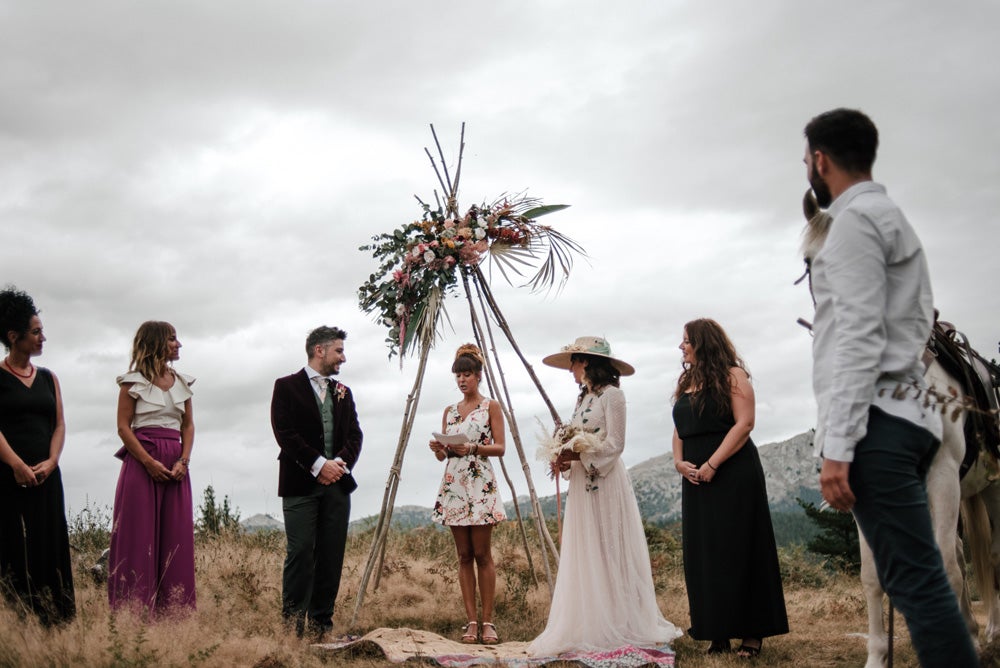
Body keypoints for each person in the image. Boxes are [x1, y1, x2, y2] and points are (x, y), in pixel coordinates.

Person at [803, 108, 978, 667]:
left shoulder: (851, 224)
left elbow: (858, 336)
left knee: (917, 585)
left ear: (821, 160)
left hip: (877, 424)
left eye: (806, 158)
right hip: (911, 417)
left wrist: (838, 446)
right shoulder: (894, 218)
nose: (807, 166)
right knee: (921, 578)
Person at [529, 336, 681, 656]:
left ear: (586, 362)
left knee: (609, 547)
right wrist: (564, 460)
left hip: (606, 481)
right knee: (587, 549)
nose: (570, 368)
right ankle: (590, 621)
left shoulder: (614, 397)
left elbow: (616, 443)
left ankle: (621, 621)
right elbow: (575, 438)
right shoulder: (582, 398)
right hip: (581, 486)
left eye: (573, 361)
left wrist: (581, 458)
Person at [672, 319, 787, 657]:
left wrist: (713, 464)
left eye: (687, 340)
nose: (681, 347)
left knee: (740, 548)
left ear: (704, 343)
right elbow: (679, 428)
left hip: (733, 472)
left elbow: (745, 424)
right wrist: (679, 463)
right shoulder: (686, 381)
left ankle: (753, 634)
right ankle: (716, 631)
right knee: (705, 554)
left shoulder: (733, 376)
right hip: (694, 477)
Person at [271, 326, 362, 638]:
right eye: (339, 351)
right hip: (299, 485)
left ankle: (321, 625)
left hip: (337, 486)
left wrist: (339, 464)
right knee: (300, 552)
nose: (343, 358)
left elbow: (354, 435)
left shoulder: (344, 393)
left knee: (331, 554)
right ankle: (292, 627)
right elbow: (284, 433)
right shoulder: (285, 387)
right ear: (319, 350)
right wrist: (317, 463)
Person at [108, 321, 196, 614]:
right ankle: (133, 611)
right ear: (157, 342)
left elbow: (188, 425)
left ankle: (175, 611)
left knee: (176, 535)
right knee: (138, 534)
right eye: (173, 339)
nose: (178, 344)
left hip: (176, 465)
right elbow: (123, 427)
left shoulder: (182, 382)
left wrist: (184, 460)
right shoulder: (132, 382)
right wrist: (148, 462)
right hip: (143, 461)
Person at [0, 287, 75, 625]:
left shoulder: (48, 378)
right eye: (36, 331)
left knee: (48, 545)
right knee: (13, 548)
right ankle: (17, 622)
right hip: (7, 476)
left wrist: (52, 461)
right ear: (13, 336)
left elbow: (59, 424)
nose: (43, 337)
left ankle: (55, 622)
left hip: (46, 476)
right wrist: (15, 464)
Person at [429, 344, 507, 645]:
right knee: (463, 556)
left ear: (478, 376)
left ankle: (489, 622)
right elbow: (446, 455)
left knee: (482, 554)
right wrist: (440, 449)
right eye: (458, 376)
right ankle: (471, 622)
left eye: (467, 375)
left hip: (480, 483)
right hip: (455, 485)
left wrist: (472, 448)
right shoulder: (449, 411)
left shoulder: (491, 407)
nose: (462, 381)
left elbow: (500, 448)